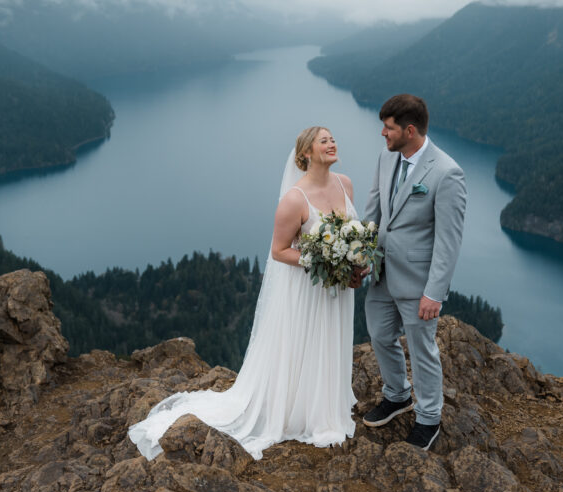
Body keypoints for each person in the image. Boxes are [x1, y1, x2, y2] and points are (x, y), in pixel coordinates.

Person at [128, 126, 358, 461]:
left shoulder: (346, 184)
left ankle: (326, 403)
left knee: (330, 339)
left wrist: (351, 262)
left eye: (333, 138)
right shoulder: (295, 199)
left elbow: (353, 234)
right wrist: (322, 259)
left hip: (336, 289)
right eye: (323, 140)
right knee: (306, 341)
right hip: (308, 288)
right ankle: (302, 411)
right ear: (306, 153)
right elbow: (279, 251)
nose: (332, 143)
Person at [359, 94, 466, 451]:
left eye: (388, 128)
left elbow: (448, 241)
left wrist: (434, 293)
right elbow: (374, 212)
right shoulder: (386, 159)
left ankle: (428, 418)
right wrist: (359, 255)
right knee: (378, 334)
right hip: (382, 273)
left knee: (422, 350)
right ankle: (397, 394)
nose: (382, 134)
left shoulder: (447, 172)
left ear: (409, 130)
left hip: (418, 283)